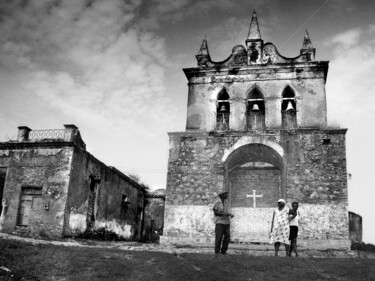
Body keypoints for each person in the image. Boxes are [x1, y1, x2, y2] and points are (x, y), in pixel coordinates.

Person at [213, 191, 234, 255]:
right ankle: (217, 252)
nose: (227, 195)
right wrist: (226, 214)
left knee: (227, 237)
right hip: (219, 222)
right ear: (222, 195)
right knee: (219, 237)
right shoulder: (217, 202)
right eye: (225, 194)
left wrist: (229, 214)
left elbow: (226, 211)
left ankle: (223, 251)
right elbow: (215, 212)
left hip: (226, 222)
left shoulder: (226, 202)